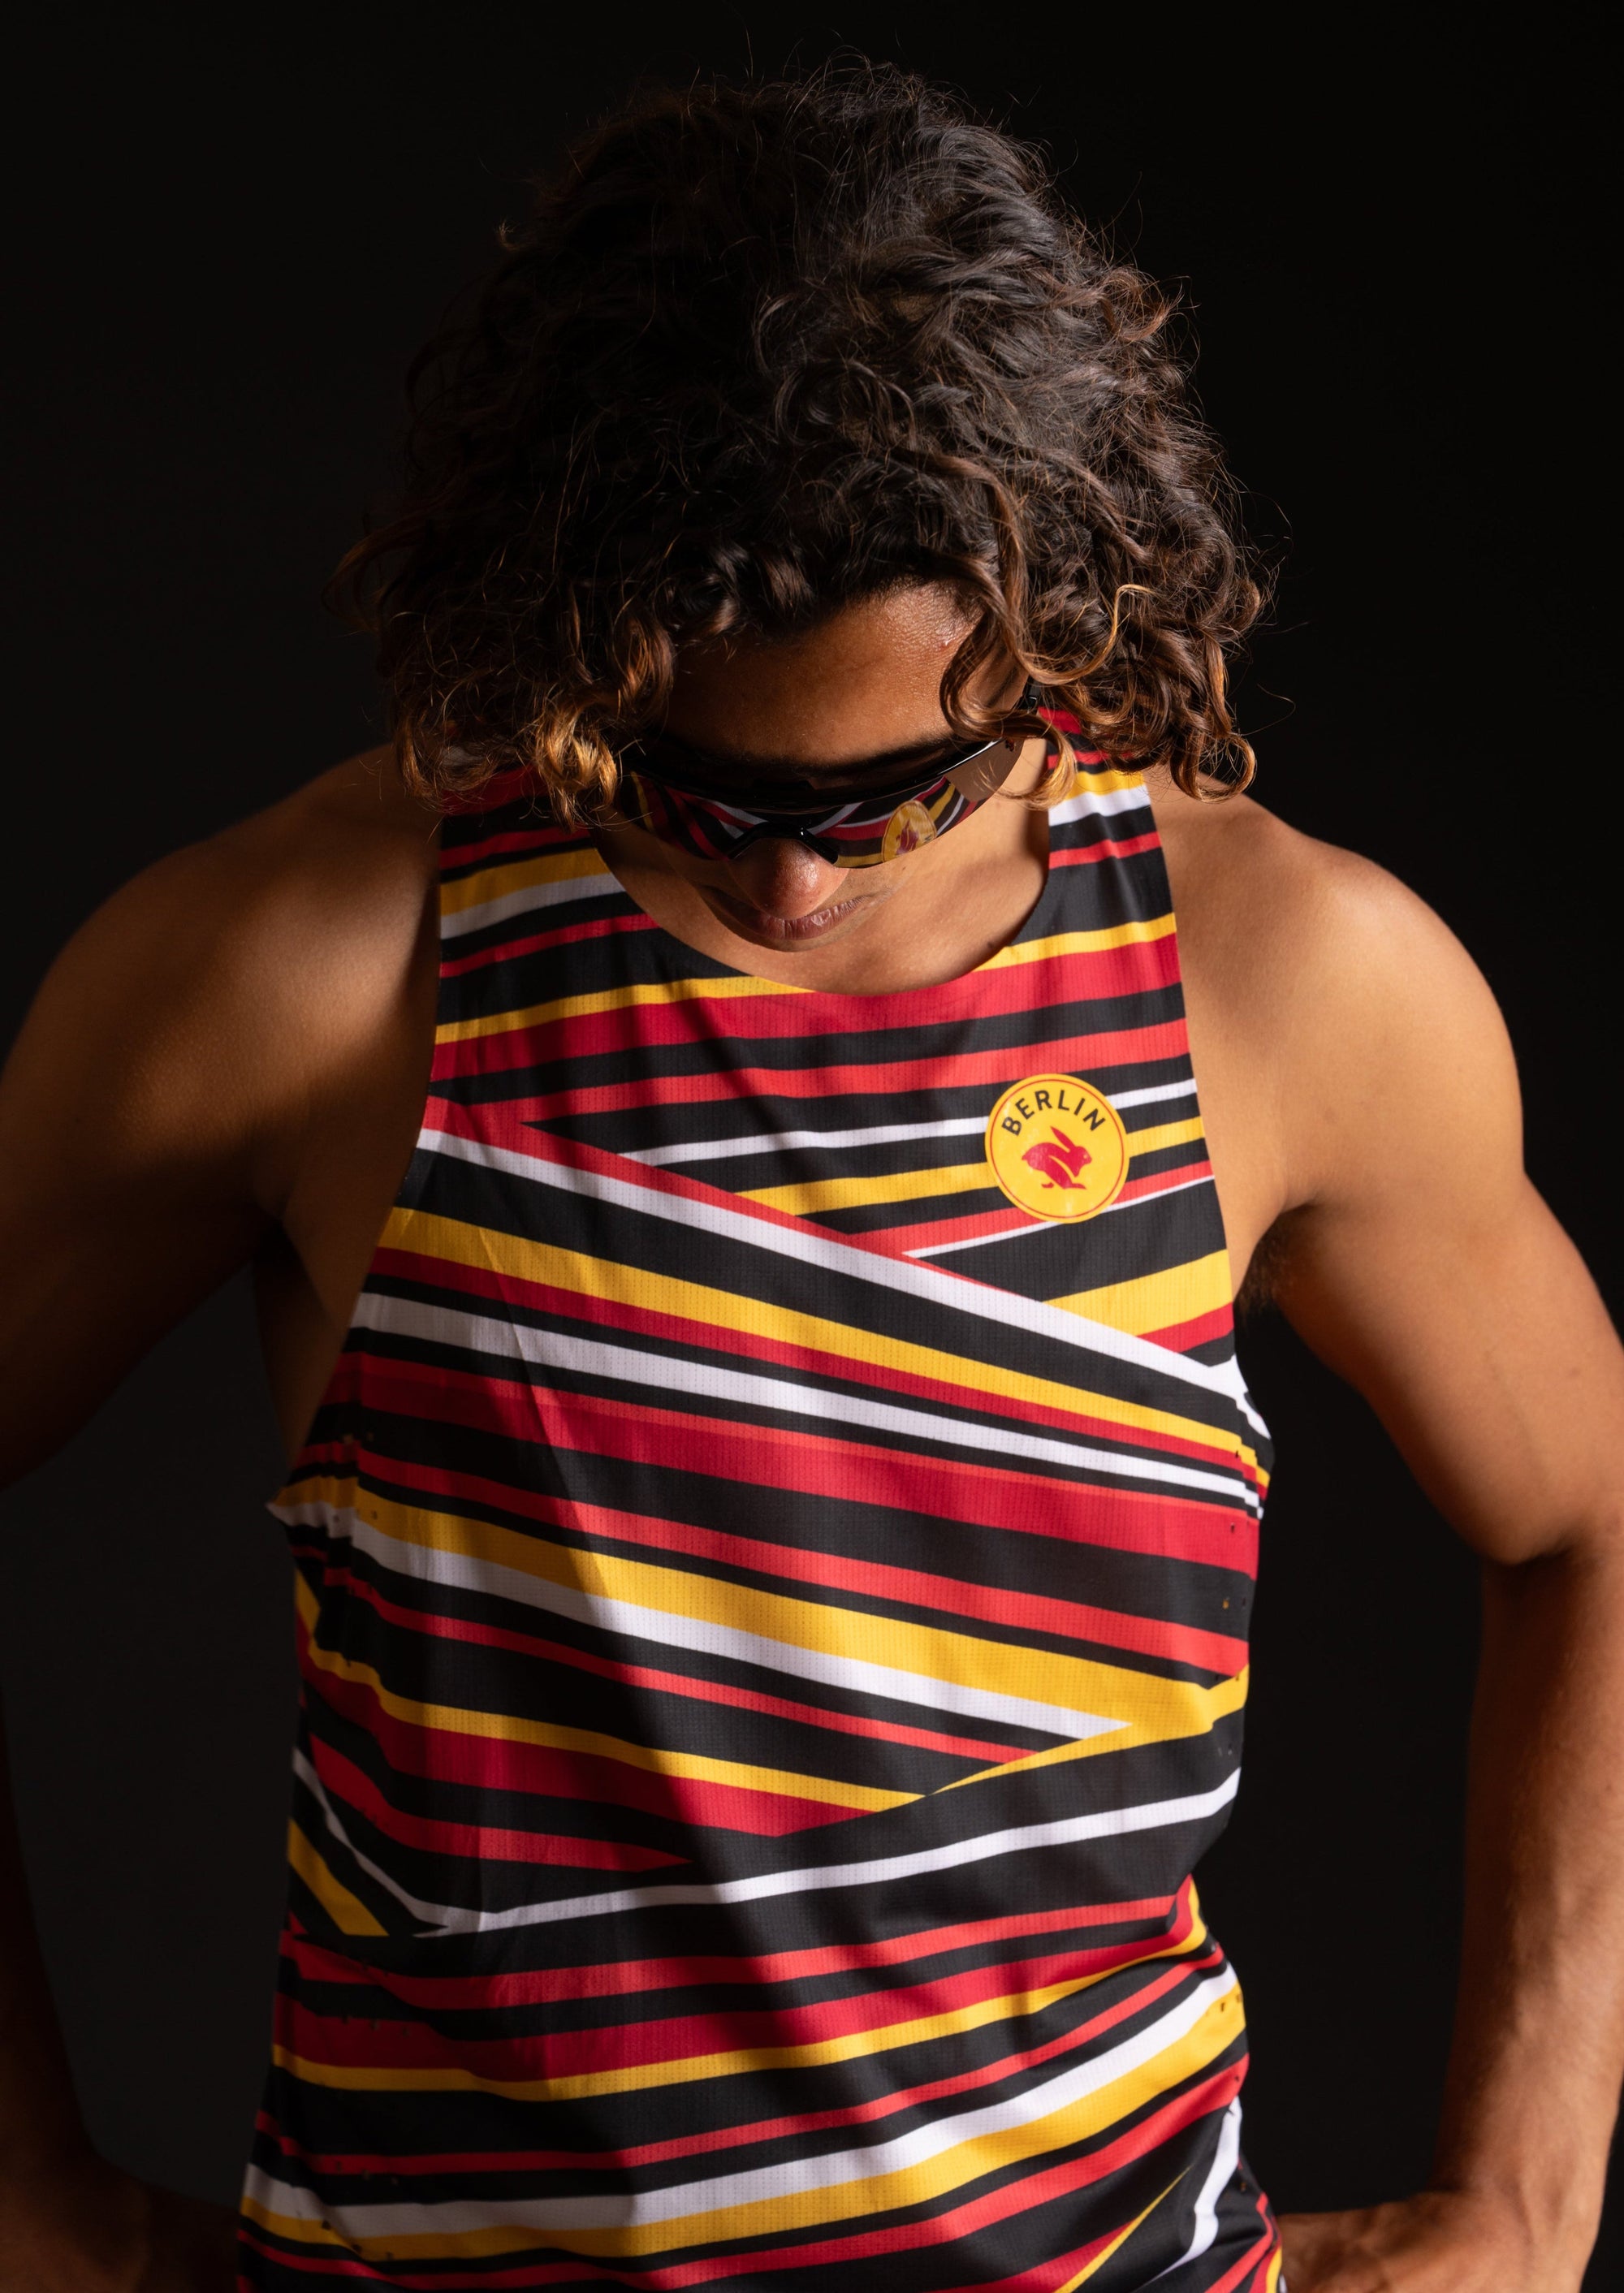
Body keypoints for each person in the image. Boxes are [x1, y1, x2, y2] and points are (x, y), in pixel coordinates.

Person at [1, 63, 1620, 2293]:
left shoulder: (1285, 984)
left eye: (892, 797)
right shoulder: (313, 976)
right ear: (553, 629)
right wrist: (35, 2204)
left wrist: (1523, 2209)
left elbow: (1587, 1509)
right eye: (684, 783)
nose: (782, 884)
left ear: (1064, 632)